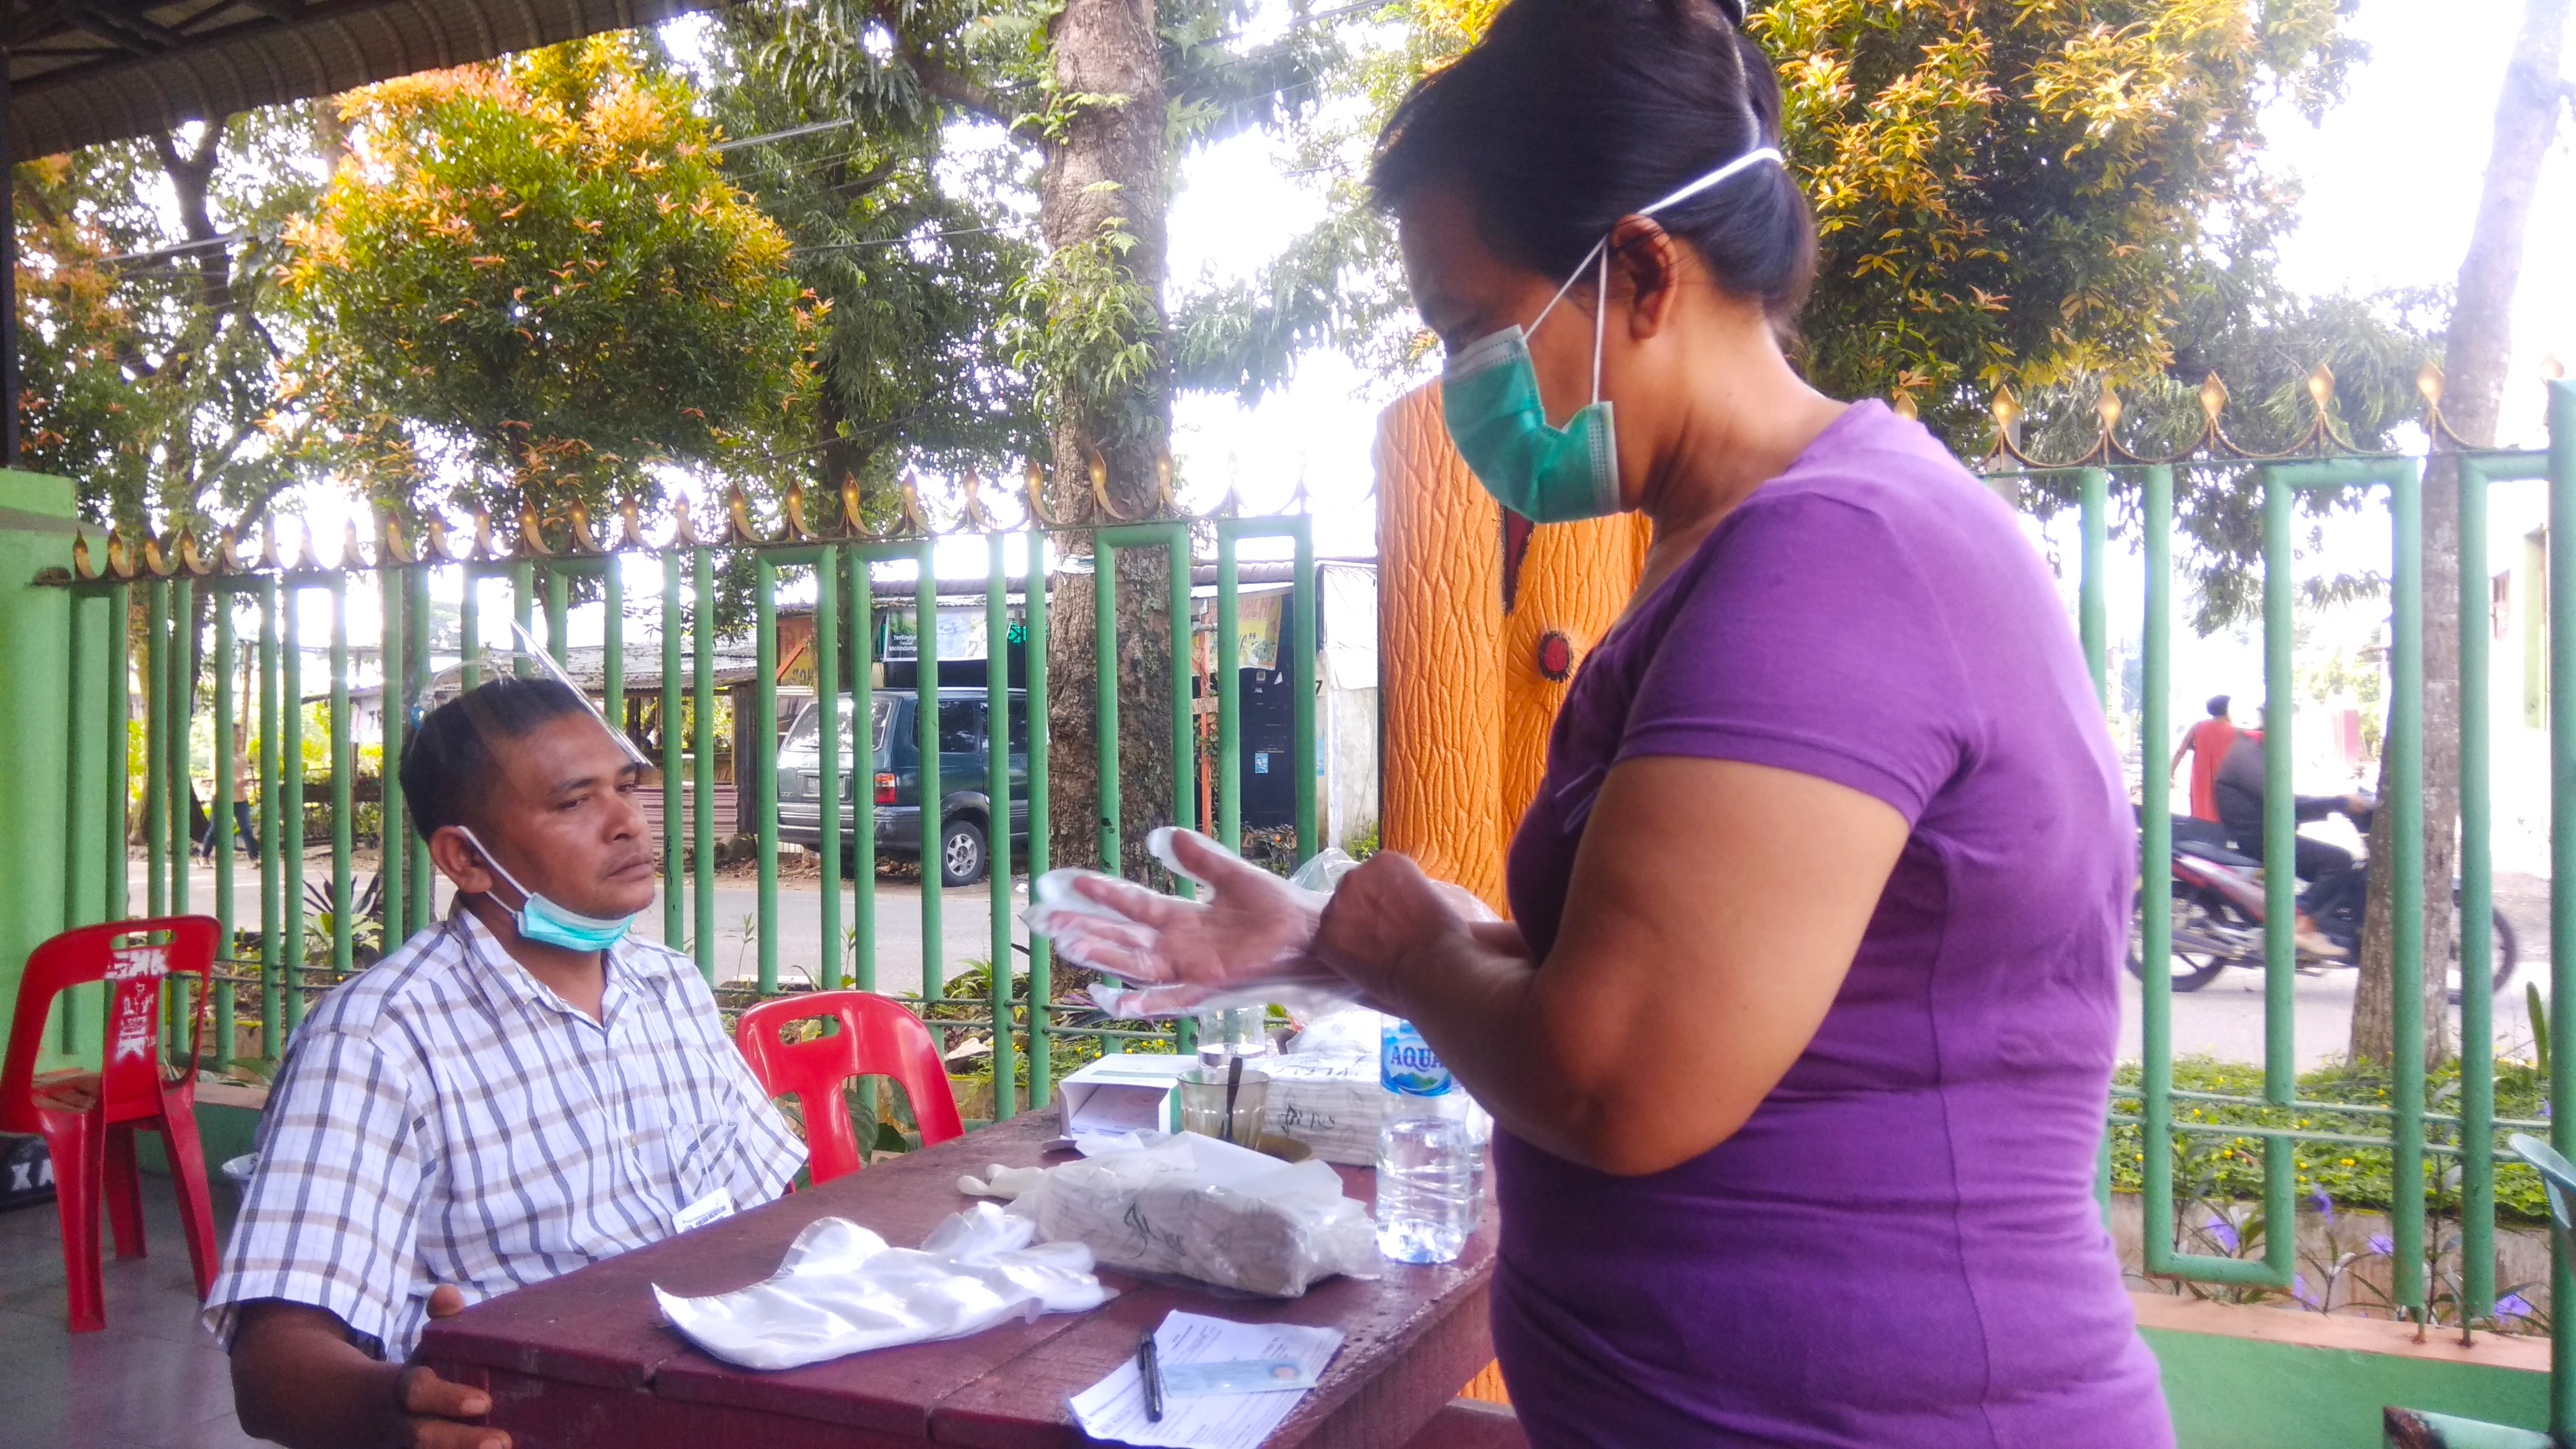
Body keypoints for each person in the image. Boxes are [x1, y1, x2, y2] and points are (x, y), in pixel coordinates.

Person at [1032, 2, 2172, 1443]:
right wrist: (1337, 945)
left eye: (1472, 328)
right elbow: (1678, 970)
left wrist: (1413, 947)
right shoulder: (1743, 547)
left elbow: (1617, 1072)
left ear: (1639, 269)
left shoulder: (1834, 559)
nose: (1459, 388)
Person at [204, 677, 804, 1449]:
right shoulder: (380, 1041)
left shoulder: (668, 986)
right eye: (573, 802)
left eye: (624, 787)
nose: (628, 823)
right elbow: (271, 1369)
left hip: (719, 1399)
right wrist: (403, 1404)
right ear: (467, 858)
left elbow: (763, 1205)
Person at [2211, 729, 2370, 957]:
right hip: (2262, 841)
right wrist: (2339, 802)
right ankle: (2302, 924)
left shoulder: (2249, 752)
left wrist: (2338, 804)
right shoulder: (2247, 755)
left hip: (2266, 835)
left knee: (2345, 870)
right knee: (2339, 861)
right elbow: (2284, 802)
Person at [2170, 695, 2239, 823]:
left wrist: (2170, 773)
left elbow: (2180, 752)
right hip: (2225, 782)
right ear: (2228, 710)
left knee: (2201, 812)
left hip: (2201, 779)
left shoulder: (2198, 727)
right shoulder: (2236, 732)